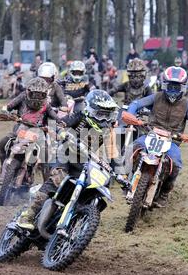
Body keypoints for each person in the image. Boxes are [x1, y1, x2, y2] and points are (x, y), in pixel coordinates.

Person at [15, 90, 122, 230]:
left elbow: (113, 153)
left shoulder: (109, 129)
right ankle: (27, 215)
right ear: (90, 110)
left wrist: (119, 174)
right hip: (64, 155)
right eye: (100, 114)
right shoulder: (80, 117)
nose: (104, 119)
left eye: (107, 115)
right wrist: (62, 131)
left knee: (94, 188)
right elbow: (59, 124)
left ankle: (74, 224)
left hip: (83, 163)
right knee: (58, 179)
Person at [127, 66, 188, 208]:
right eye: (170, 86)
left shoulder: (187, 105)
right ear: (164, 84)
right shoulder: (156, 97)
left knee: (175, 163)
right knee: (133, 148)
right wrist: (132, 115)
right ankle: (129, 177)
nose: (173, 90)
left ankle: (164, 192)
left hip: (172, 141)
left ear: (183, 87)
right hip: (150, 134)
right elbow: (136, 103)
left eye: (176, 87)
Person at [0, 77, 59, 180]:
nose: (37, 97)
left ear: (45, 94)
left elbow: (55, 117)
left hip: (38, 133)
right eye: (34, 94)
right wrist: (5, 111)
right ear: (28, 92)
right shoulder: (22, 97)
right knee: (3, 142)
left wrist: (61, 122)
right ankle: (3, 167)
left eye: (41, 95)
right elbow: (9, 106)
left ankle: (46, 186)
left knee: (46, 156)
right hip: (20, 129)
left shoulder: (46, 105)